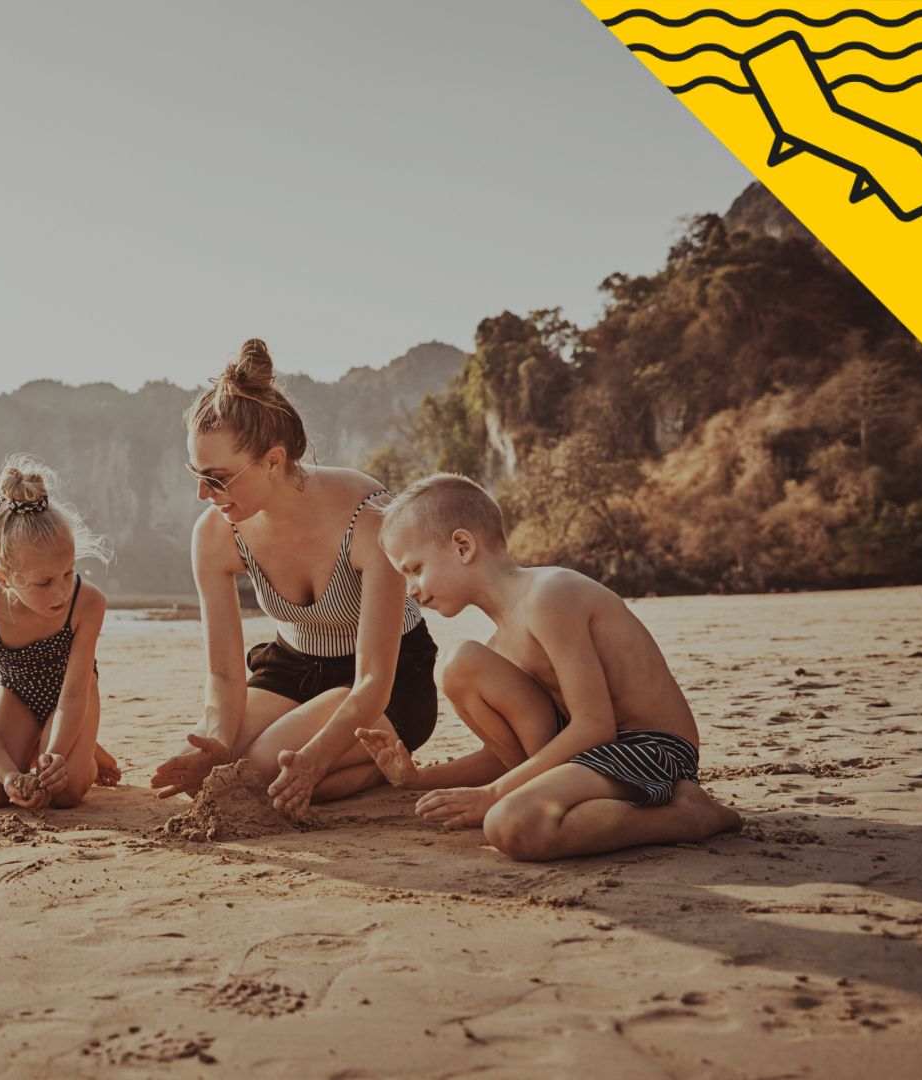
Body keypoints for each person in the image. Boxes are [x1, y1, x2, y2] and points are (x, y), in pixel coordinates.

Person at [356, 472, 742, 860]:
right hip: (589, 752)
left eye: (414, 569)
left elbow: (595, 726)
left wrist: (495, 795)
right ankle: (551, 797)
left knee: (510, 825)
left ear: (462, 546)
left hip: (651, 749)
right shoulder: (501, 644)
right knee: (460, 666)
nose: (411, 589)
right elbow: (507, 757)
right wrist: (418, 778)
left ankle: (687, 816)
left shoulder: (548, 596)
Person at [149, 339, 439, 816]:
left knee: (259, 775)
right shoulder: (217, 534)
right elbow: (223, 674)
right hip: (293, 668)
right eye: (195, 474)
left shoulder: (368, 520)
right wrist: (218, 741)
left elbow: (372, 681)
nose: (203, 493)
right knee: (215, 772)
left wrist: (312, 761)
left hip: (383, 684)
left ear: (273, 460)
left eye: (217, 478)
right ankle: (352, 769)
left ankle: (372, 763)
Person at [0, 454, 121, 809]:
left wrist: (57, 755)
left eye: (68, 573)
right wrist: (8, 775)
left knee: (63, 792)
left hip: (74, 699)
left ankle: (83, 754)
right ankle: (53, 740)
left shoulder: (87, 603)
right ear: (4, 577)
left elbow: (74, 695)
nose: (62, 592)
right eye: (44, 582)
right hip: (19, 697)